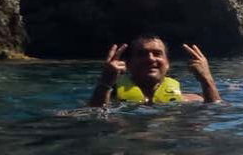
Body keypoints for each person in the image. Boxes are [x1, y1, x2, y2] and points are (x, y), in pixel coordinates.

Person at [89, 35, 221, 106]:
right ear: (128, 64)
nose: (150, 59)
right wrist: (105, 83)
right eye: (142, 54)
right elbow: (94, 118)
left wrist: (206, 79)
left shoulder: (188, 99)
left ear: (168, 64)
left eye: (157, 53)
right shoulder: (110, 100)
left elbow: (216, 110)